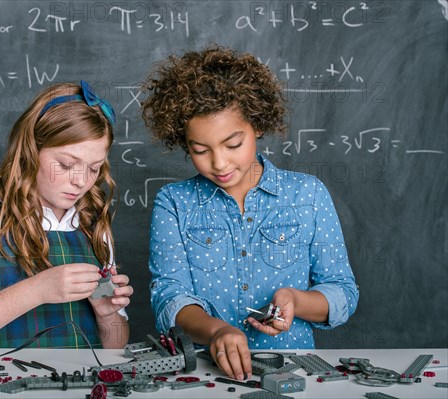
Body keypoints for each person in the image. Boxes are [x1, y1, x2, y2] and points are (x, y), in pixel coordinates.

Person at [141, 47, 359, 381]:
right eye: (200, 150)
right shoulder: (174, 202)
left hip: (294, 371)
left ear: (256, 125)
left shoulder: (308, 194)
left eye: (232, 144)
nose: (219, 163)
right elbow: (169, 299)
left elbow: (343, 292)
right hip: (203, 376)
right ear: (184, 143)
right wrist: (216, 332)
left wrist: (295, 301)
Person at [0, 81, 133, 355]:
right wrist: (39, 289)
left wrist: (108, 315)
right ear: (31, 151)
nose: (81, 181)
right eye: (66, 165)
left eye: (94, 168)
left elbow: (116, 346)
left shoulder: (95, 230)